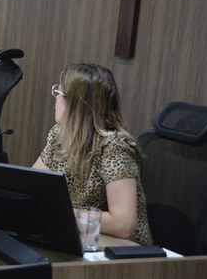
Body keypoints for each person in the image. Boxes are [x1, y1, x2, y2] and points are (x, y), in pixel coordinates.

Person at [32, 63, 152, 245]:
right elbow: (33, 185)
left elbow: (123, 223)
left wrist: (60, 212)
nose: (55, 98)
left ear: (78, 105)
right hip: (76, 236)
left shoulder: (115, 147)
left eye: (60, 94)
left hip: (119, 251)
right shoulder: (60, 134)